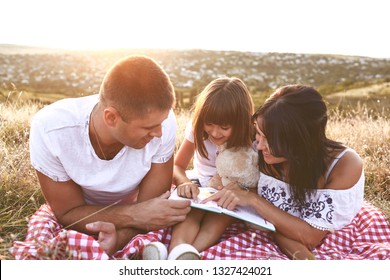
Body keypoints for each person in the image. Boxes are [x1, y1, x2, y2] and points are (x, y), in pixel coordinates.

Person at [13, 55, 191, 258]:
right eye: (149, 127)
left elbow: (154, 210)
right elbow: (67, 213)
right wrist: (135, 215)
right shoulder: (51, 131)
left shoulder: (163, 124)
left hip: (138, 210)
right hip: (85, 211)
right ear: (111, 117)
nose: (159, 133)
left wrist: (122, 236)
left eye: (162, 123)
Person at [201, 84, 366, 259]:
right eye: (258, 133)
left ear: (298, 141)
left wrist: (253, 199)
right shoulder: (266, 140)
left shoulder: (344, 165)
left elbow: (310, 237)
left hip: (306, 231)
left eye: (270, 140)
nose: (259, 145)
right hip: (277, 228)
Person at [142, 77, 256, 260]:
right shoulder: (197, 130)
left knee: (219, 218)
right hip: (199, 186)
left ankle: (188, 254)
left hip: (229, 193)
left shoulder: (253, 140)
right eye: (209, 124)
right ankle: (176, 251)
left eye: (224, 127)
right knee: (190, 213)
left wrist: (242, 192)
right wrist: (184, 182)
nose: (215, 132)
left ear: (241, 123)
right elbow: (178, 166)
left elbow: (259, 179)